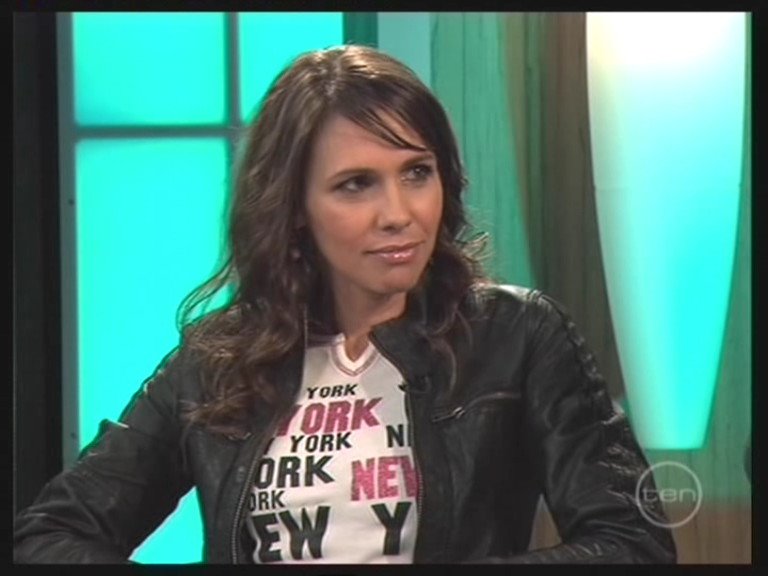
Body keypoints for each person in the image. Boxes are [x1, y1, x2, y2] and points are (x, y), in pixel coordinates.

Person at [14, 44, 677, 564]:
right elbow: (49, 535)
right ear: (295, 208)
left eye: (416, 173)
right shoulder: (215, 360)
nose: (399, 214)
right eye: (356, 184)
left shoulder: (518, 334)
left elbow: (633, 543)